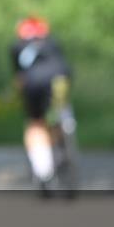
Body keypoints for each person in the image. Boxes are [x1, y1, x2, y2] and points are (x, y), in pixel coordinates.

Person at [9, 16, 74, 192]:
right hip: (60, 79)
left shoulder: (17, 46)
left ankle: (43, 169)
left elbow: (19, 78)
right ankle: (64, 128)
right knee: (59, 109)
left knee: (35, 123)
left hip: (33, 84)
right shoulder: (52, 42)